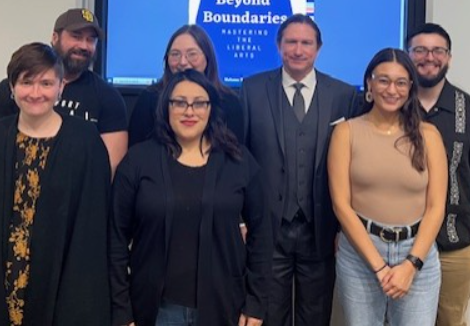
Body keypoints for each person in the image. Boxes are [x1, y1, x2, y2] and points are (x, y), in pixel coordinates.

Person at [109, 69, 272, 326]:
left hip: (224, 307)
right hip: (154, 310)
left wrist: (256, 303)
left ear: (211, 108)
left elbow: (263, 234)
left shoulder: (238, 160)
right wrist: (121, 311)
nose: (189, 111)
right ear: (166, 107)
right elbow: (115, 240)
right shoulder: (138, 161)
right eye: (180, 103)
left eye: (199, 103)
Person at [240, 14, 357, 326]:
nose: (298, 49)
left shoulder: (344, 95)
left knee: (316, 315)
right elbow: (241, 158)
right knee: (269, 313)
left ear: (318, 48)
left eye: (306, 42)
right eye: (291, 41)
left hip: (321, 228)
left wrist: (345, 228)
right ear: (279, 46)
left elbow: (353, 166)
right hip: (267, 227)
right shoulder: (251, 90)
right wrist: (241, 218)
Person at [328, 48, 448, 326]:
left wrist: (411, 265)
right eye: (383, 80)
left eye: (400, 82)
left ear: (410, 88)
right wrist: (380, 267)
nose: (391, 89)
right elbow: (341, 206)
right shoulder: (346, 133)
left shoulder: (428, 135)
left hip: (417, 255)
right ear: (369, 83)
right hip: (360, 256)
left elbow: (436, 207)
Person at [0, 43, 111, 325]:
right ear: (12, 87)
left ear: (61, 87)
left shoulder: (86, 141)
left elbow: (92, 228)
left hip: (62, 283)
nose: (36, 93)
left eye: (46, 83)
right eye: (26, 82)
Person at [0, 8, 128, 174]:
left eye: (91, 39)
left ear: (60, 87)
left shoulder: (109, 98)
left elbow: (109, 168)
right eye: (76, 36)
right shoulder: (11, 91)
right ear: (55, 37)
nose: (84, 45)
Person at [407, 23, 470, 326]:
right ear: (408, 56)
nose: (428, 57)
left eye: (437, 50)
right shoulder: (391, 106)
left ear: (449, 57)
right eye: (419, 50)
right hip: (397, 245)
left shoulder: (468, 109)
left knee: (449, 321)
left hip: (454, 244)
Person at [128, 24, 243, 147]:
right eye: (175, 54)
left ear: (207, 57)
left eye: (192, 54)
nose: (183, 62)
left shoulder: (229, 102)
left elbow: (236, 153)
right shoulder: (149, 99)